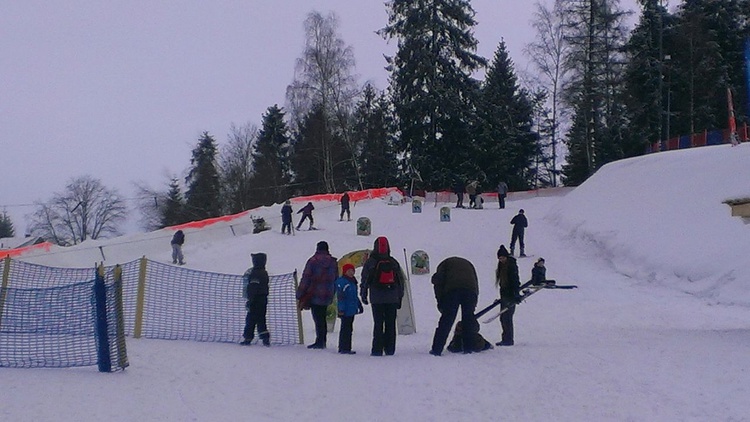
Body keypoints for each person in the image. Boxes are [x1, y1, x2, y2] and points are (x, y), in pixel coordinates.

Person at [360, 236, 404, 356]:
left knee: (378, 324)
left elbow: (365, 279)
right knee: (390, 324)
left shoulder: (371, 262)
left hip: (377, 297)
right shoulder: (393, 261)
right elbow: (400, 280)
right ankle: (390, 349)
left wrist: (363, 294)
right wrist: (399, 297)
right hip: (392, 297)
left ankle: (377, 349)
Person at [429, 256, 480, 356]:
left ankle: (437, 349)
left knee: (447, 320)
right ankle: (468, 348)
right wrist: (474, 303)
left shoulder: (442, 267)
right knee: (468, 319)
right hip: (470, 290)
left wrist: (441, 303)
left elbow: (438, 286)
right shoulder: (467, 264)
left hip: (453, 291)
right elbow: (475, 283)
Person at [296, 241, 338, 349]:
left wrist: (299, 293)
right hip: (328, 293)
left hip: (315, 293)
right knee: (322, 317)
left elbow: (306, 278)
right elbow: (336, 278)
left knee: (317, 317)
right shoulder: (333, 262)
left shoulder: (313, 261)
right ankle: (322, 340)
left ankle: (319, 341)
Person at [241, 253, 270, 346]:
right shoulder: (264, 272)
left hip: (255, 299)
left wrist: (250, 300)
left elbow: (253, 288)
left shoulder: (255, 273)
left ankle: (248, 338)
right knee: (261, 319)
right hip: (263, 299)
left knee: (250, 319)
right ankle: (265, 338)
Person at [495, 245, 522, 346]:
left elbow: (515, 280)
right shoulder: (502, 266)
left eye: (502, 258)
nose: (501, 260)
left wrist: (516, 294)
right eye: (499, 258)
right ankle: (506, 338)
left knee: (506, 317)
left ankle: (508, 339)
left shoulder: (511, 266)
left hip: (510, 295)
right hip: (504, 295)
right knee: (504, 317)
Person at [335, 263, 363, 354]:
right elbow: (341, 298)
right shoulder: (342, 282)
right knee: (345, 329)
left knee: (349, 328)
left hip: (351, 309)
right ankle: (343, 347)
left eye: (353, 271)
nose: (351, 273)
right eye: (349, 271)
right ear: (345, 272)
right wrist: (341, 309)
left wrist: (359, 305)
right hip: (345, 310)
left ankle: (347, 347)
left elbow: (354, 296)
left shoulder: (352, 282)